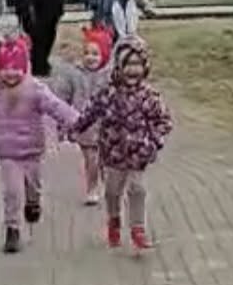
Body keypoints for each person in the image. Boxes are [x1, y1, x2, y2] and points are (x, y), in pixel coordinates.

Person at [0, 32, 77, 254]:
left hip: (32, 148)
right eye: (5, 68)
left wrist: (76, 120)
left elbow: (56, 107)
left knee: (33, 185)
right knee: (12, 191)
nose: (10, 73)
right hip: (7, 151)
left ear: (24, 67)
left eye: (16, 68)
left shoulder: (35, 89)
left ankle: (33, 202)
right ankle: (12, 229)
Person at [70, 35, 172, 252]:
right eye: (128, 64)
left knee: (137, 189)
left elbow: (164, 121)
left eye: (138, 64)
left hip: (138, 154)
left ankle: (138, 228)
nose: (133, 70)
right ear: (118, 66)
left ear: (145, 67)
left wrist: (153, 141)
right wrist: (75, 128)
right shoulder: (109, 93)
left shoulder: (149, 96)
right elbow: (91, 112)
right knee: (112, 191)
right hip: (113, 153)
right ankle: (114, 219)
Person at [52, 25, 114, 205]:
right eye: (86, 53)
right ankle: (92, 187)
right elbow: (63, 98)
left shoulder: (110, 76)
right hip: (84, 124)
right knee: (90, 158)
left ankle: (108, 182)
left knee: (106, 158)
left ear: (104, 55)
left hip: (107, 124)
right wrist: (62, 124)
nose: (90, 57)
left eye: (95, 54)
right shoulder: (75, 74)